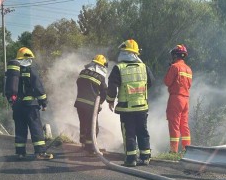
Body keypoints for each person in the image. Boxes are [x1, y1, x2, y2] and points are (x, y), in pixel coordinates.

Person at [107, 39, 154, 167]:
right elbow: (150, 82)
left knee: (129, 133)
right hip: (142, 107)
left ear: (123, 53)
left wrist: (110, 100)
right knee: (143, 131)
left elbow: (112, 86)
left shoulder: (119, 68)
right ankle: (145, 157)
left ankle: (131, 159)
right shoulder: (144, 67)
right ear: (136, 54)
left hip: (127, 109)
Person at [5, 47, 53, 160]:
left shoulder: (13, 72)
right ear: (29, 58)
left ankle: (20, 153)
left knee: (20, 128)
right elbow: (38, 87)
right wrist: (44, 102)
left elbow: (9, 88)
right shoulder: (31, 70)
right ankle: (40, 152)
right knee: (36, 128)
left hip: (17, 106)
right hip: (31, 106)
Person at [74, 54, 108, 155]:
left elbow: (78, 83)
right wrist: (100, 103)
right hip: (91, 105)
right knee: (93, 127)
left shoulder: (82, 72)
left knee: (83, 123)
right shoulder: (100, 77)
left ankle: (83, 144)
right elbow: (105, 92)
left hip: (79, 103)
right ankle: (91, 149)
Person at [164, 44, 192, 154]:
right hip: (186, 99)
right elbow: (189, 85)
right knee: (184, 125)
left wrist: (169, 69)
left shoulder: (174, 67)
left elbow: (167, 82)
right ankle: (187, 150)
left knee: (174, 124)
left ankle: (173, 151)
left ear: (175, 55)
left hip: (176, 98)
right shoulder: (189, 69)